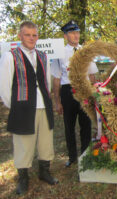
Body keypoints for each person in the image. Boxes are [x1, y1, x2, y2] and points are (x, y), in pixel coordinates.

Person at [0, 21, 58, 195]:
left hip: (43, 105)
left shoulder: (42, 55)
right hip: (23, 106)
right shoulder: (10, 56)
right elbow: (4, 85)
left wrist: (48, 99)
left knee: (45, 141)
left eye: (34, 35)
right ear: (20, 36)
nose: (31, 38)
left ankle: (44, 171)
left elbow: (46, 81)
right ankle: (23, 178)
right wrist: (15, 105)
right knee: (23, 143)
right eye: (27, 35)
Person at [51, 20, 98, 167]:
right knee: (69, 126)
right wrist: (57, 101)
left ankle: (84, 156)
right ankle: (72, 157)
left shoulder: (85, 51)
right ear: (65, 36)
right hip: (68, 91)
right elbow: (56, 79)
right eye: (72, 33)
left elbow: (92, 75)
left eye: (77, 32)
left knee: (86, 125)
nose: (76, 35)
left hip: (84, 90)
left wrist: (94, 94)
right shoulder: (59, 54)